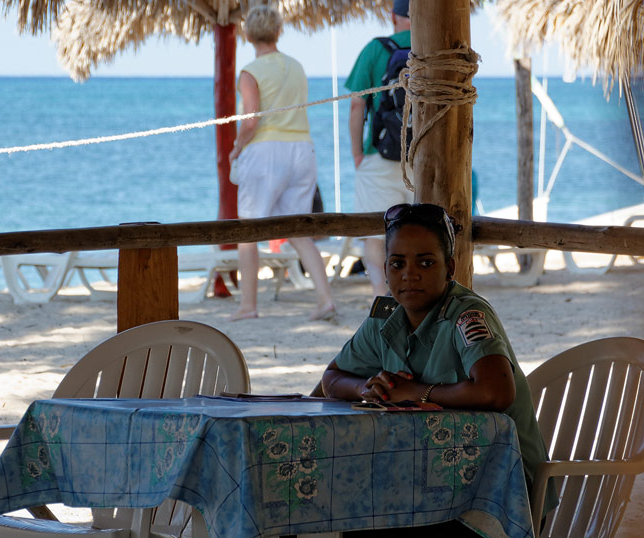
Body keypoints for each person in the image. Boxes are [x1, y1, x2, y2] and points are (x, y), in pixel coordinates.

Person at [321, 203, 558, 534]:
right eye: (397, 263)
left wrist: (417, 393)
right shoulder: (385, 315)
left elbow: (497, 392)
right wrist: (366, 388)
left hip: (499, 492)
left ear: (450, 267)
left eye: (426, 262)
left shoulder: (466, 315)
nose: (410, 274)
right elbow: (331, 379)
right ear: (385, 269)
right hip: (422, 485)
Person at [228, 5, 335, 322]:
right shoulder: (296, 66)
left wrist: (236, 147)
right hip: (302, 149)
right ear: (278, 31)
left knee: (248, 231)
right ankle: (325, 299)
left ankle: (248, 305)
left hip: (267, 150)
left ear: (248, 34)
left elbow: (251, 120)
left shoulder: (251, 71)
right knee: (298, 230)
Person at [345, 0, 414, 297]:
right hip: (424, 157)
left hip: (380, 154)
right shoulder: (435, 48)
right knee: (423, 229)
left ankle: (382, 297)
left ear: (392, 16)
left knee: (375, 233)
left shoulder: (376, 49)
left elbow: (357, 106)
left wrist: (357, 154)